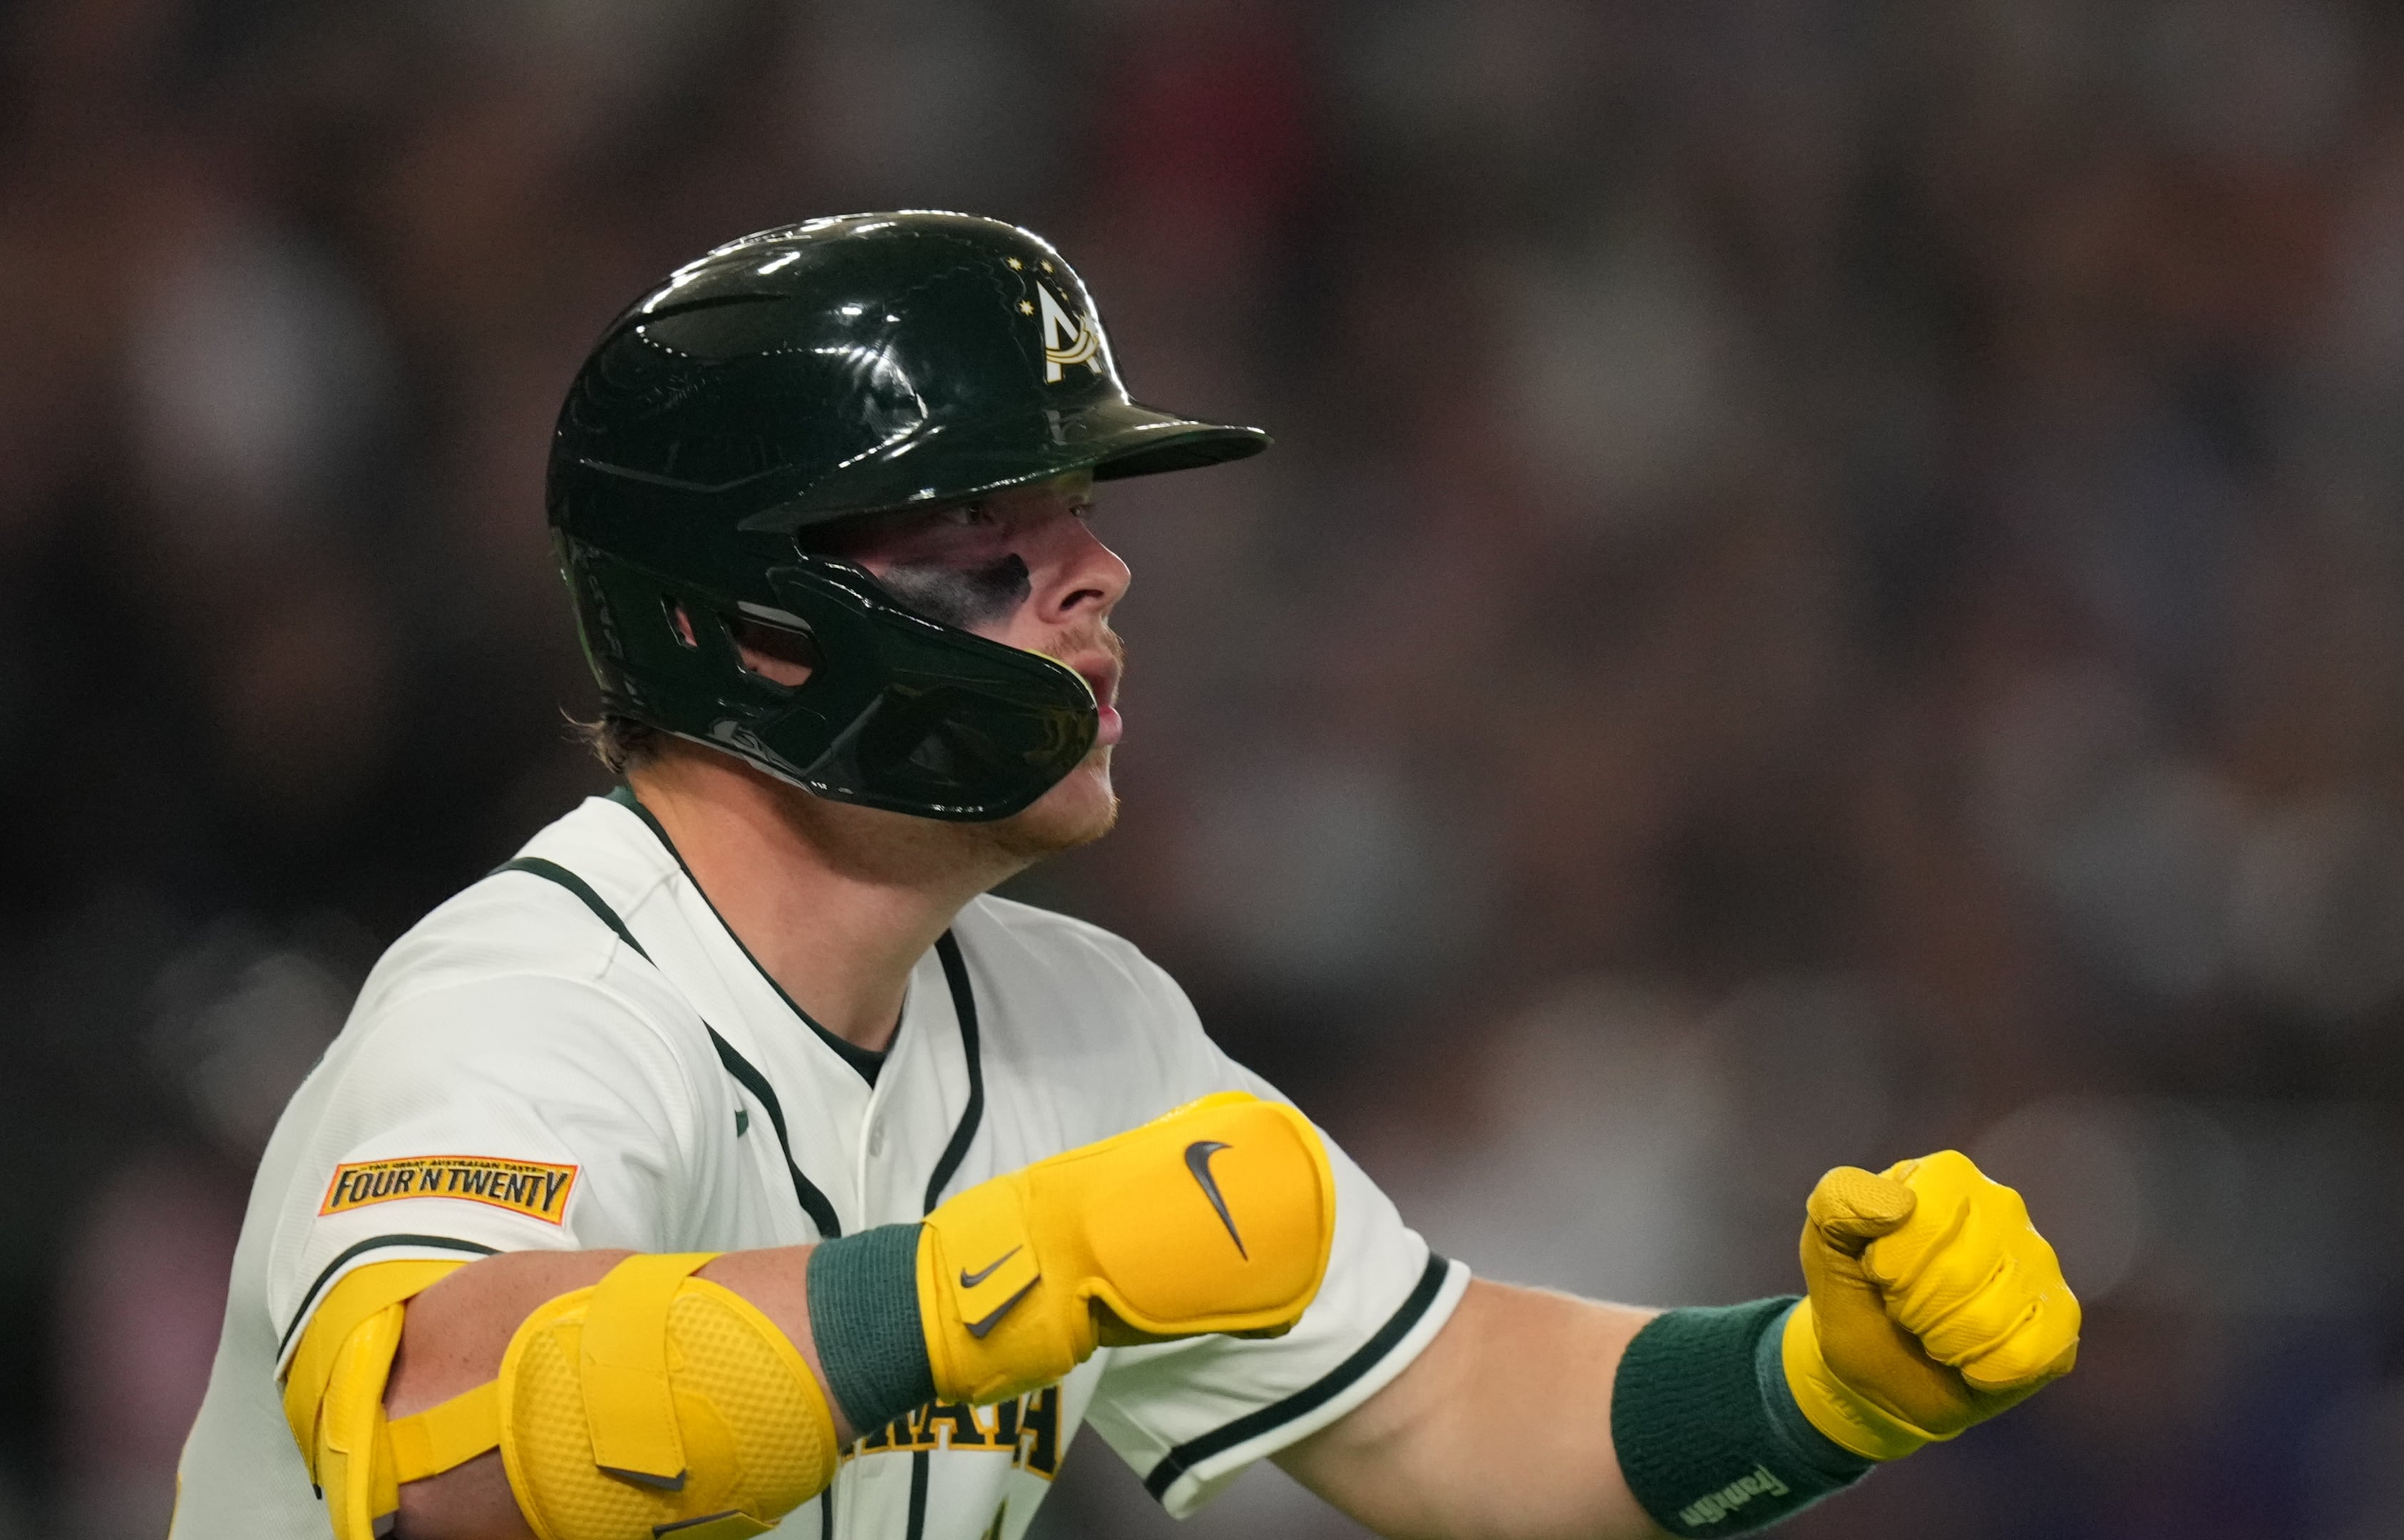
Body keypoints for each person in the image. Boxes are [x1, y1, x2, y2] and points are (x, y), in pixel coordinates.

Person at [172, 212, 2080, 1540]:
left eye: (1082, 520)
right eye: (996, 535)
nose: (1101, 580)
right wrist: (1004, 1283)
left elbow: (1452, 1416)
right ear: (755, 627)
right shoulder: (534, 1003)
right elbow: (442, 1440)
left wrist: (1823, 1388)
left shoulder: (1080, 1025)